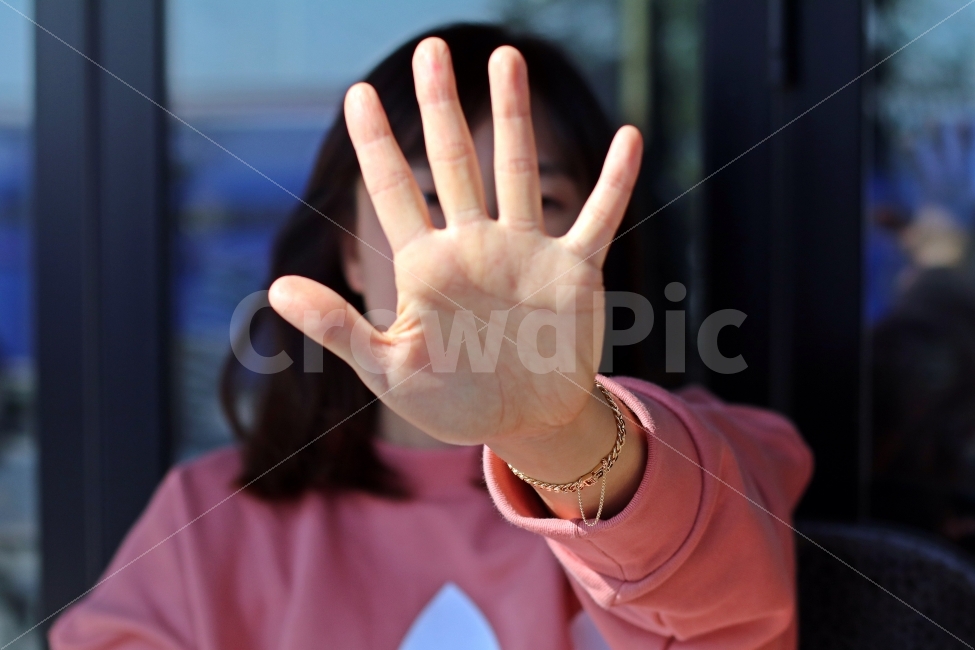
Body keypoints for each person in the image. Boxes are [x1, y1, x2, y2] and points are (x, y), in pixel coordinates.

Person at [49, 24, 812, 650]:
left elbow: (726, 618)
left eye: (538, 199)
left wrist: (551, 435)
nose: (468, 249)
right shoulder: (207, 520)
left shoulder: (710, 467)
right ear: (347, 249)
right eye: (422, 198)